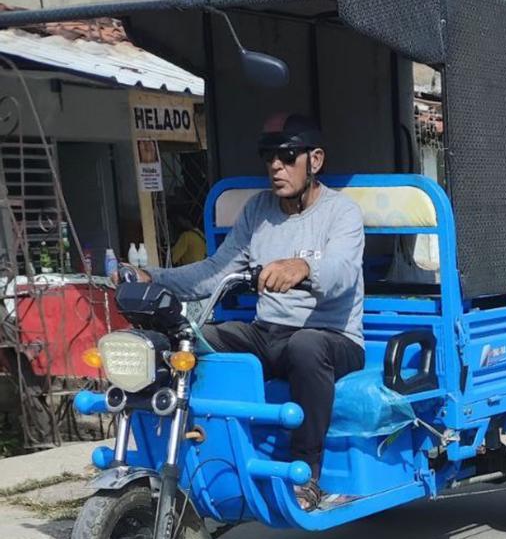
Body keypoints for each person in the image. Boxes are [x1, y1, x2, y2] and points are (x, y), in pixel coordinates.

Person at [114, 113, 365, 511]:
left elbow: (342, 272)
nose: (275, 167)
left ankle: (307, 475)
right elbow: (214, 272)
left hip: (333, 339)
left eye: (287, 156)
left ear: (314, 160)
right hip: (268, 332)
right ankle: (191, 457)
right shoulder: (257, 210)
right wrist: (152, 276)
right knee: (193, 338)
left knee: (305, 345)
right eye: (269, 157)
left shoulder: (342, 213)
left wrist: (303, 268)